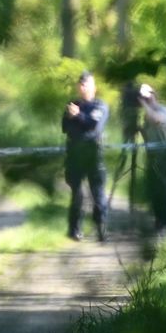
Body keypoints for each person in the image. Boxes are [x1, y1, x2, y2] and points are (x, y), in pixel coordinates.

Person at [62, 71, 109, 242]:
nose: (83, 88)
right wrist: (77, 118)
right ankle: (74, 230)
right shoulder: (72, 104)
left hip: (93, 155)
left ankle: (101, 227)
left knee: (97, 193)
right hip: (74, 155)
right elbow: (65, 127)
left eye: (86, 84)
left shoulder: (100, 106)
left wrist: (78, 116)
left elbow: (93, 125)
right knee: (77, 194)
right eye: (80, 85)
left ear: (94, 88)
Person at [138, 83, 166, 236]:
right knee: (154, 189)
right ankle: (158, 221)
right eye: (142, 98)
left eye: (146, 97)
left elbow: (157, 120)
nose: (144, 101)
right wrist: (138, 129)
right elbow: (148, 134)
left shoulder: (164, 109)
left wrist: (144, 104)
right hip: (155, 156)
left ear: (153, 95)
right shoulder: (147, 114)